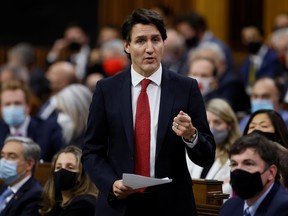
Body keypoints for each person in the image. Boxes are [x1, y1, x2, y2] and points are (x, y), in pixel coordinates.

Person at [82, 8, 215, 216]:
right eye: (141, 41)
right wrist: (112, 183)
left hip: (171, 205)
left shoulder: (186, 88)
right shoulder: (106, 90)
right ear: (127, 45)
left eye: (156, 40)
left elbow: (207, 156)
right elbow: (91, 151)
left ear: (164, 42)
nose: (150, 48)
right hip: (120, 204)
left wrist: (191, 136)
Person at [219, 132, 288, 216]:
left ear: (271, 172)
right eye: (234, 164)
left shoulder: (284, 209)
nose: (238, 170)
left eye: (248, 164)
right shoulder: (229, 207)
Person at [186, 98, 241, 197]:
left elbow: (229, 192)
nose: (211, 128)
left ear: (230, 126)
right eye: (207, 123)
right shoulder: (193, 150)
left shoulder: (237, 155)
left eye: (217, 122)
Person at [0, 80, 64, 162]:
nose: (12, 108)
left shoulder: (49, 129)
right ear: (1, 108)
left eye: (17, 103)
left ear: (28, 106)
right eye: (7, 104)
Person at [39, 145, 98, 216]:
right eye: (58, 167)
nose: (62, 171)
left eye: (70, 167)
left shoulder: (84, 205)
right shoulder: (56, 203)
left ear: (81, 175)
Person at [0, 136, 43, 216]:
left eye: (12, 156)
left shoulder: (36, 195)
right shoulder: (4, 188)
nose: (4, 161)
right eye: (2, 156)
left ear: (29, 164)